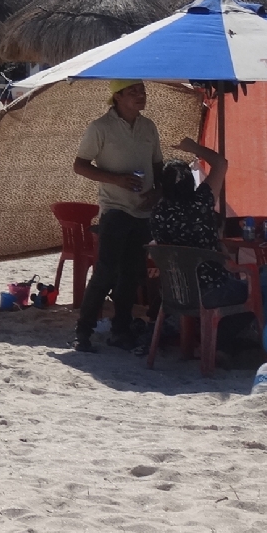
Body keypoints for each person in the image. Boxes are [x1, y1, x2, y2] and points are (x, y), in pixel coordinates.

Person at [72, 80, 163, 354]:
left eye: (143, 92)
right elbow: (80, 165)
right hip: (114, 209)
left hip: (142, 210)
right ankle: (83, 331)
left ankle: (120, 329)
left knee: (132, 274)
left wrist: (157, 191)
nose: (140, 97)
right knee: (105, 272)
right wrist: (116, 180)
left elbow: (158, 164)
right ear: (118, 97)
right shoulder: (100, 127)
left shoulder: (149, 127)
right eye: (133, 92)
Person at [149, 140, 254, 356]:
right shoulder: (201, 203)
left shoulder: (158, 213)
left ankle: (207, 340)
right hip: (210, 290)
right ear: (191, 182)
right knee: (259, 290)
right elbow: (221, 163)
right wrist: (193, 148)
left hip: (174, 293)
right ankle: (220, 342)